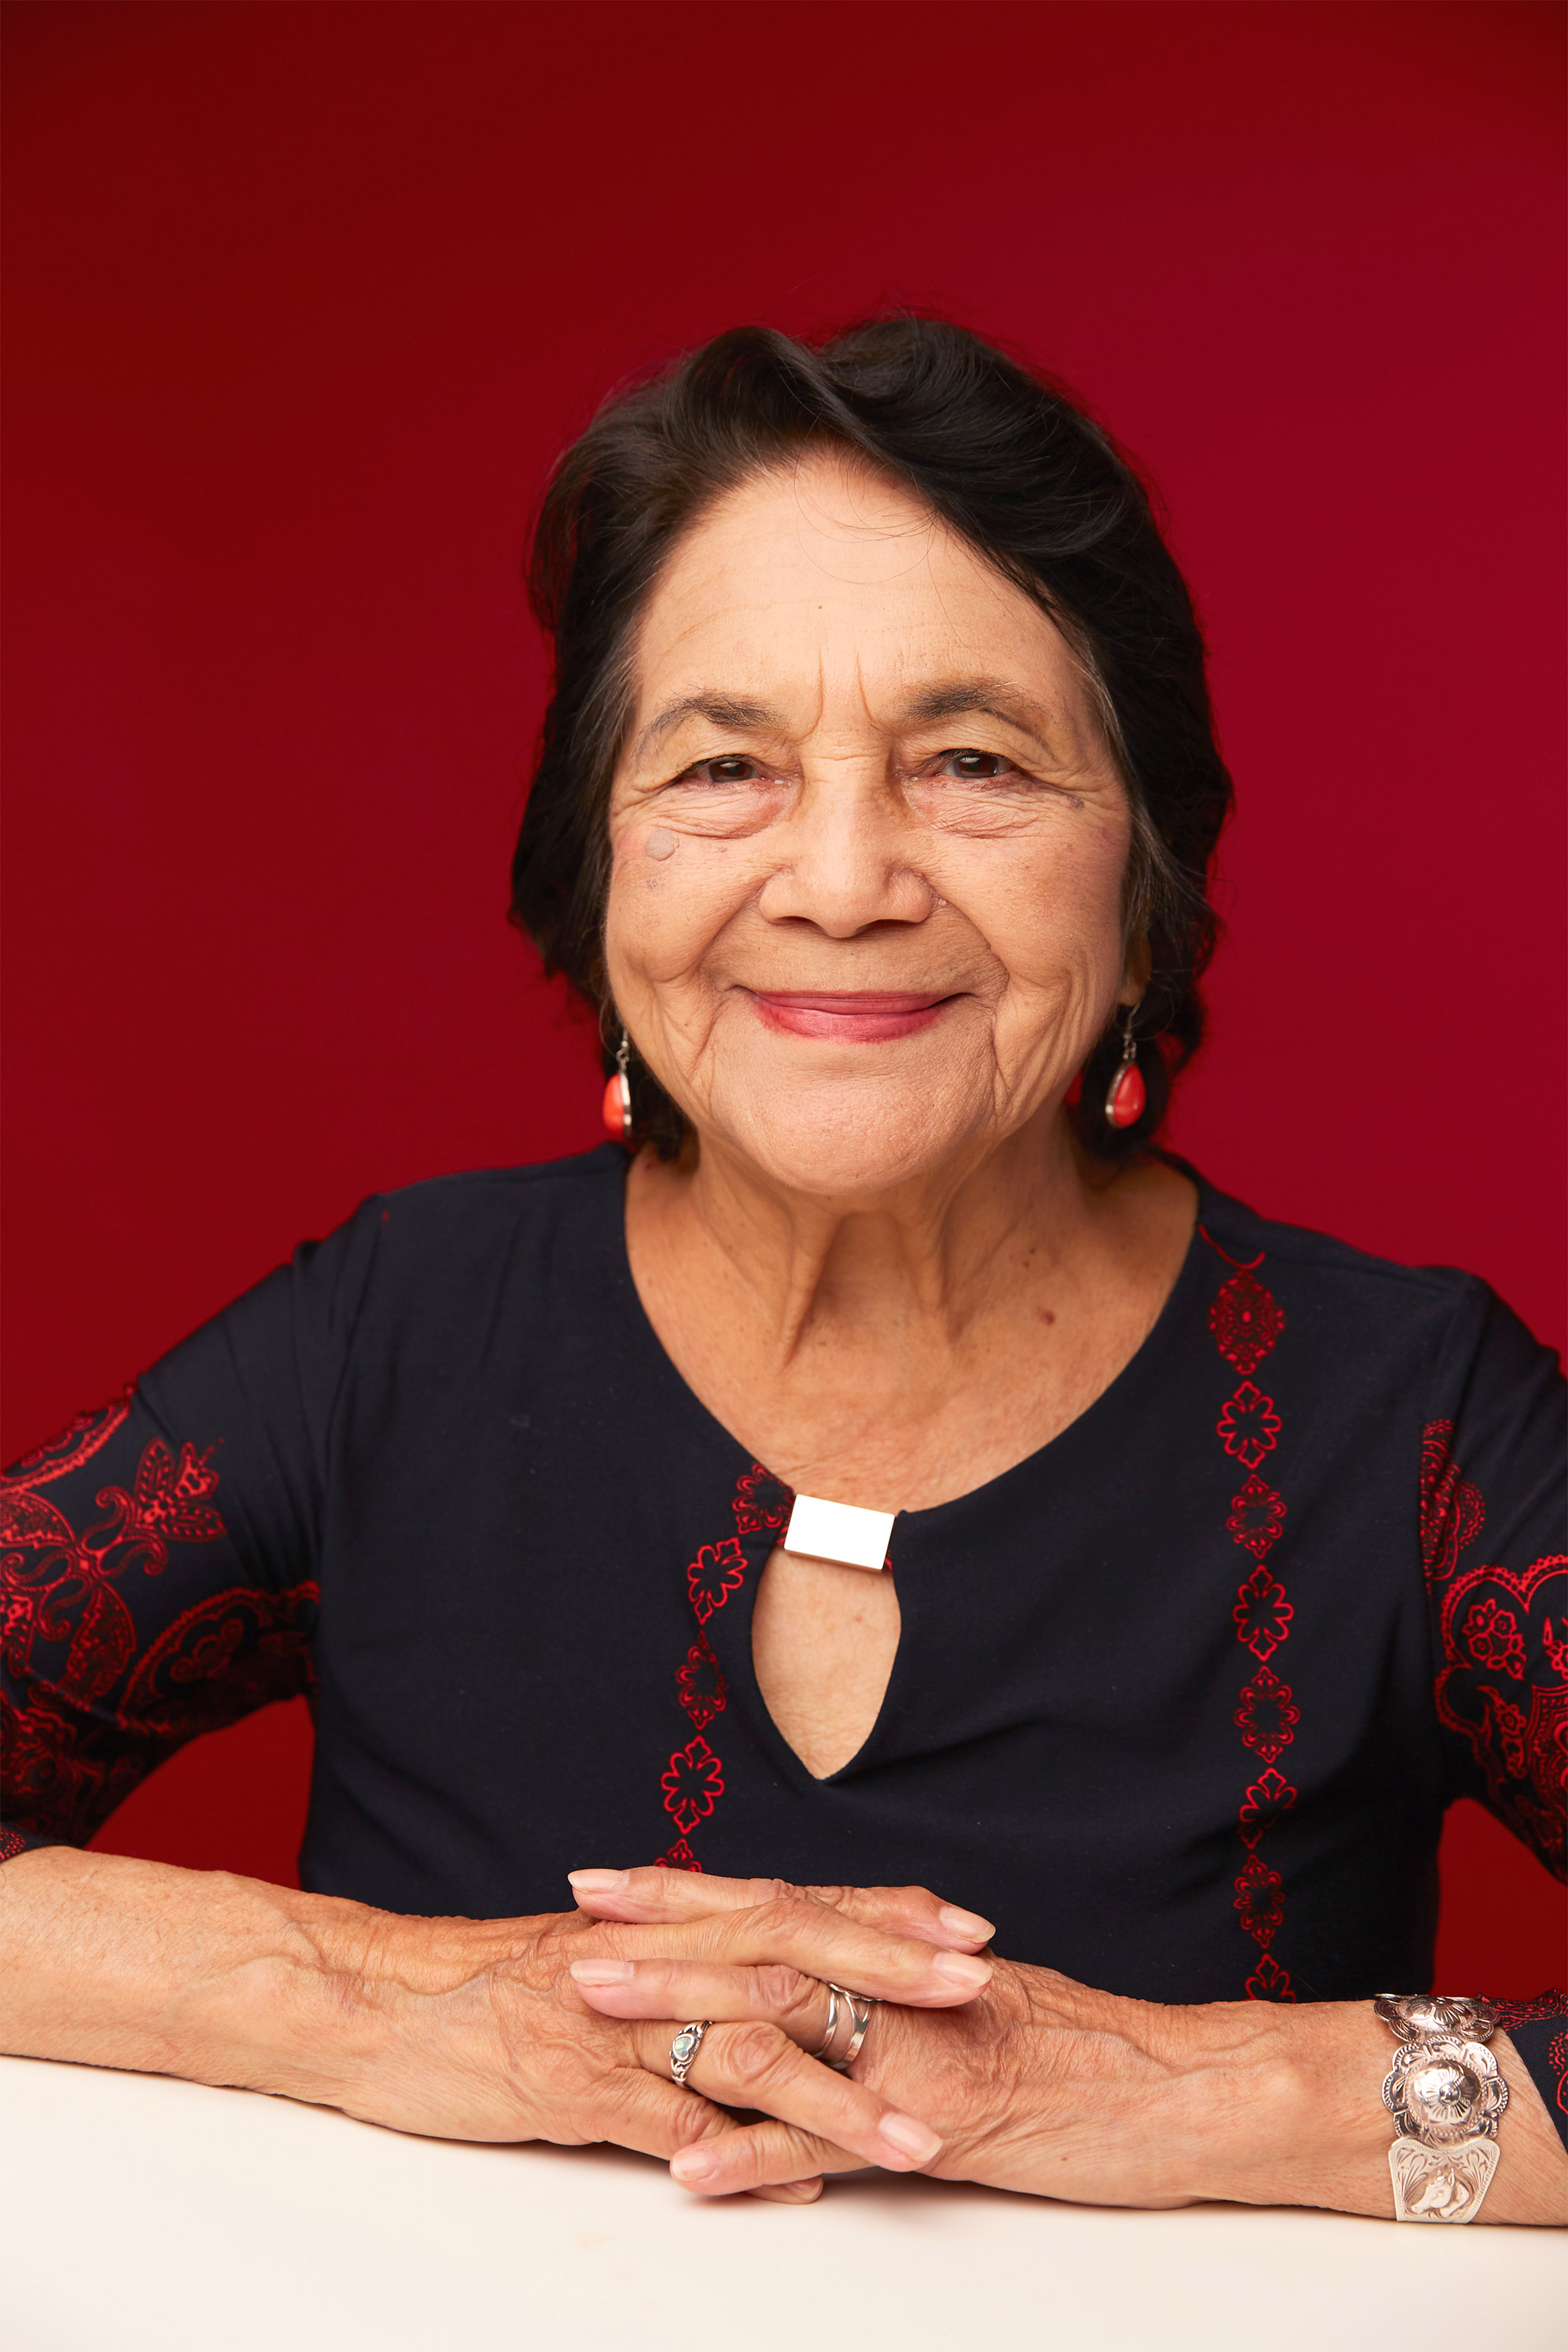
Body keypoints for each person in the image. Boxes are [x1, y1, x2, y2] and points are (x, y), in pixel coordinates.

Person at [2, 320, 1563, 2225]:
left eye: (972, 762)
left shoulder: (1411, 1423)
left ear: (1143, 875)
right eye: (724, 764)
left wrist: (1172, 2090)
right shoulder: (390, 1335)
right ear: (599, 862)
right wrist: (385, 1998)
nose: (839, 881)